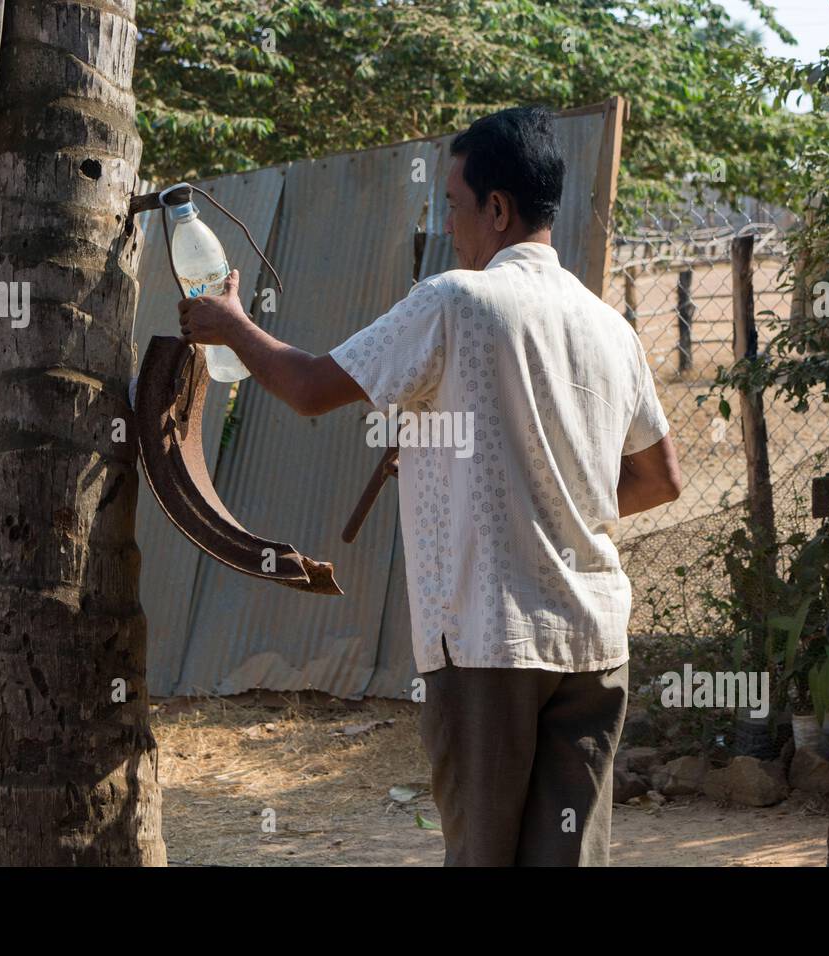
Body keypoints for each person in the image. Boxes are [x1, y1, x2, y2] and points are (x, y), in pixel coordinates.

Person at [176, 105, 682, 866]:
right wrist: (552, 499)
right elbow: (659, 478)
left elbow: (311, 388)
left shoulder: (454, 301)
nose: (448, 224)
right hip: (593, 642)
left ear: (497, 208)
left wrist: (234, 325)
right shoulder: (611, 327)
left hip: (489, 641)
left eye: (452, 203)